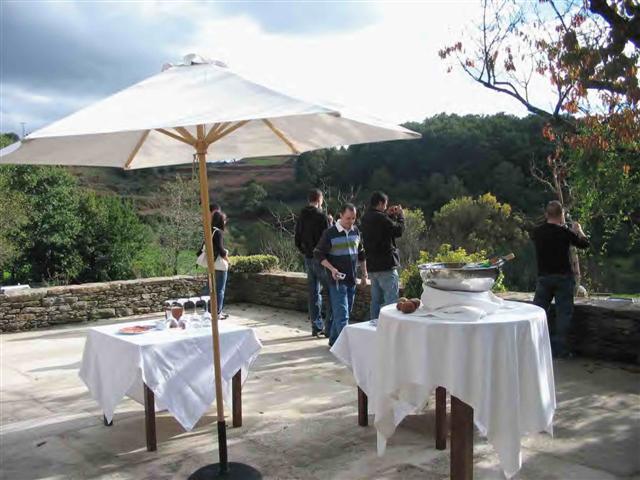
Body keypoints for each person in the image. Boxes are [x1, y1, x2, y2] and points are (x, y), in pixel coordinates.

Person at [531, 200, 589, 358]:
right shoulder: (565, 232)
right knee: (563, 315)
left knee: (537, 311)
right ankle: (560, 350)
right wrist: (579, 231)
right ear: (561, 215)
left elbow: (542, 229)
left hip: (544, 277)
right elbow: (584, 244)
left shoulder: (537, 232)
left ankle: (534, 345)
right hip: (563, 277)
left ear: (547, 214)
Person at [314, 203, 368, 346]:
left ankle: (334, 341)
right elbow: (318, 254)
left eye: (353, 218)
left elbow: (361, 254)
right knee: (342, 316)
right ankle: (346, 347)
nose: (351, 221)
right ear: (341, 216)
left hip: (352, 279)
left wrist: (364, 274)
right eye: (348, 218)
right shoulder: (330, 233)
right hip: (337, 281)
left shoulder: (356, 231)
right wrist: (332, 269)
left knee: (344, 313)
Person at [361, 191, 405, 320]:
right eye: (385, 205)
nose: (386, 207)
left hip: (372, 266)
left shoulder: (365, 218)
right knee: (391, 300)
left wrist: (389, 216)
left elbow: (382, 229)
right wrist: (401, 216)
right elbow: (398, 230)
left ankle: (373, 325)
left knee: (376, 300)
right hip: (386, 265)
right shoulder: (381, 218)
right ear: (380, 203)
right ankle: (389, 327)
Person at [294, 189, 332, 337]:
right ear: (319, 199)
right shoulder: (322, 217)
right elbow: (328, 239)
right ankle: (329, 328)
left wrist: (305, 252)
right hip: (321, 259)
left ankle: (316, 326)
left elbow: (297, 239)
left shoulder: (301, 216)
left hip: (308, 257)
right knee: (329, 291)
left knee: (313, 293)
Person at [211, 212, 230, 319]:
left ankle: (211, 311)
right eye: (224, 220)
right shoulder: (218, 232)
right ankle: (218, 312)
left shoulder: (211, 231)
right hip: (220, 265)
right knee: (220, 290)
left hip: (212, 264)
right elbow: (221, 250)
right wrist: (228, 260)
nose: (225, 222)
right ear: (221, 221)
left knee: (213, 289)